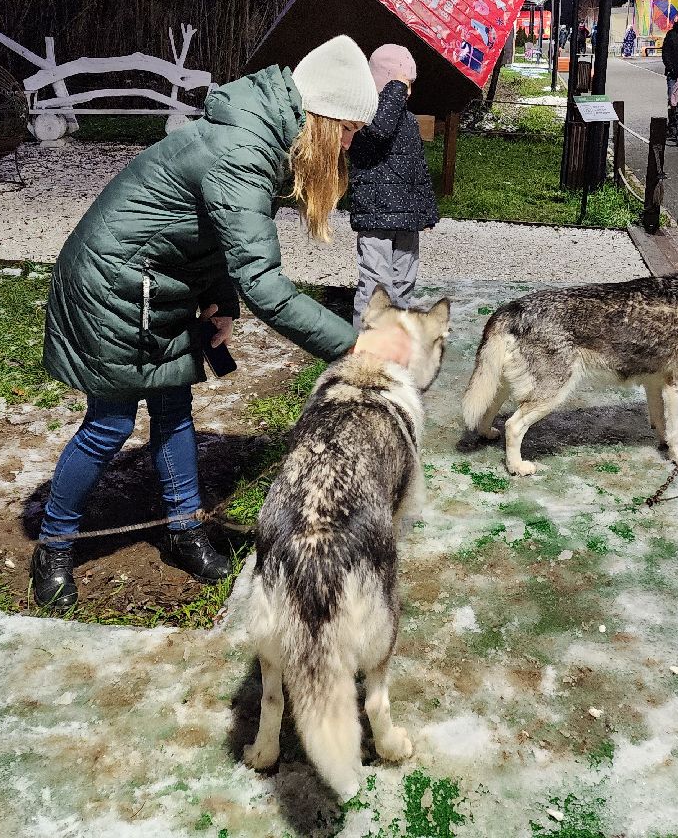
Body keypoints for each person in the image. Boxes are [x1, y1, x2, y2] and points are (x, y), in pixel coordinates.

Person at [33, 35, 415, 609]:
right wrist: (358, 345)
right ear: (322, 117)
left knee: (172, 410)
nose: (345, 148)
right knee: (111, 423)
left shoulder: (258, 137)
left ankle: (184, 531)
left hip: (157, 283)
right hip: (111, 285)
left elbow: (210, 235)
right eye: (348, 131)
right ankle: (55, 544)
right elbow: (266, 283)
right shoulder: (243, 150)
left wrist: (222, 304)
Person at [348, 44, 440, 329]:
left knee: (403, 282)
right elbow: (381, 128)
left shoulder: (408, 121)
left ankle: (394, 340)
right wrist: (395, 86)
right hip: (376, 215)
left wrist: (426, 210)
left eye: (409, 85)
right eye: (403, 84)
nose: (408, 91)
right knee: (376, 284)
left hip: (405, 217)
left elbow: (418, 169)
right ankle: (364, 348)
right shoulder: (365, 115)